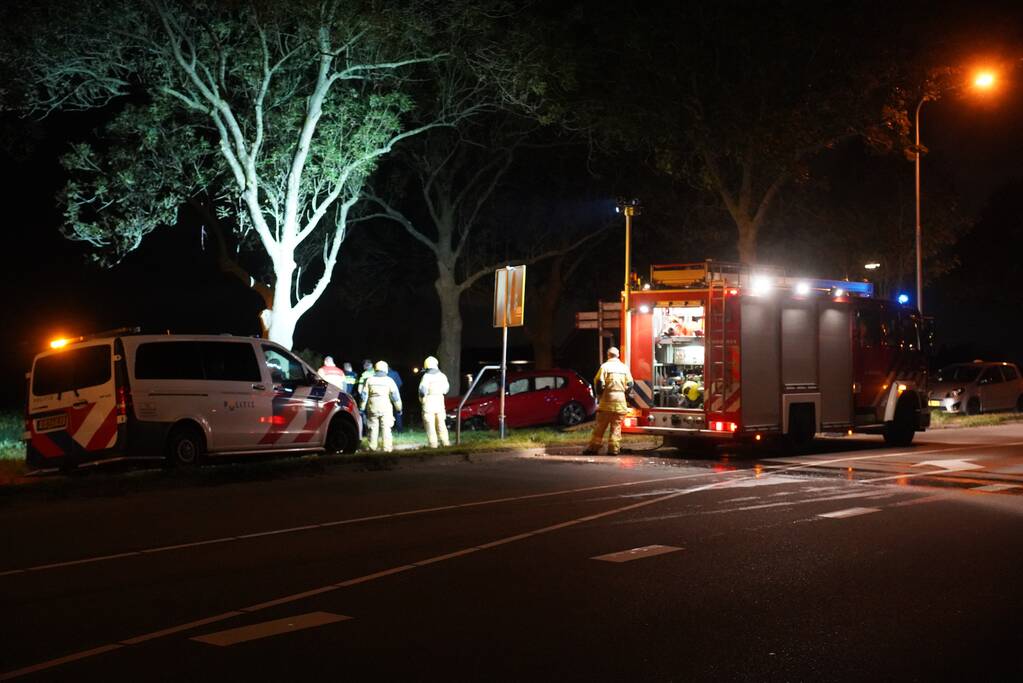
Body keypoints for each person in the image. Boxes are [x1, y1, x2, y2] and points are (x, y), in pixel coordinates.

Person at [583, 347, 634, 456]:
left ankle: (593, 448)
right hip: (620, 403)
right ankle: (613, 450)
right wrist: (624, 394)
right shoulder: (624, 368)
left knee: (600, 428)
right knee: (616, 428)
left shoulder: (604, 367)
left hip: (607, 402)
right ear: (618, 355)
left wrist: (599, 396)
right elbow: (630, 384)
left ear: (608, 355)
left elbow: (599, 383)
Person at [359, 360, 402, 452]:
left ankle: (372, 447)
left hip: (372, 407)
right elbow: (395, 397)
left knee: (373, 428)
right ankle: (387, 449)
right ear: (386, 369)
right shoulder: (389, 381)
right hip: (386, 408)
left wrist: (361, 408)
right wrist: (399, 408)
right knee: (386, 428)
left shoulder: (369, 380)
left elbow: (364, 396)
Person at [418, 356, 450, 448]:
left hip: (428, 403)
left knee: (430, 425)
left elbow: (422, 392)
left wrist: (422, 400)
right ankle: (445, 443)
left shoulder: (426, 377)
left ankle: (433, 445)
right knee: (441, 423)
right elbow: (446, 389)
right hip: (439, 402)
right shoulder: (442, 376)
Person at [387, 365, 404, 432]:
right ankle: (399, 429)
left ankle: (389, 429)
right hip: (395, 395)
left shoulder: (384, 375)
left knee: (387, 413)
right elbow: (400, 383)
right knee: (398, 411)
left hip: (386, 397)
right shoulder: (395, 373)